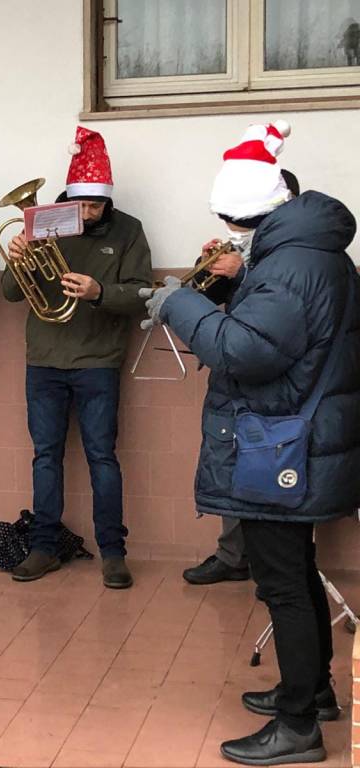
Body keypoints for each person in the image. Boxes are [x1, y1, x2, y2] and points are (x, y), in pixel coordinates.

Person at [144, 121, 360, 766]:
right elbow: (283, 333)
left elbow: (244, 350)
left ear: (248, 212)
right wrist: (235, 287)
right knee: (293, 572)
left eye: (231, 221)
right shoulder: (312, 254)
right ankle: (312, 691)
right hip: (302, 436)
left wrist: (178, 304)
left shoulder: (289, 266)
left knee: (283, 584)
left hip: (280, 444)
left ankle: (298, 727)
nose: (231, 232)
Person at [7, 127, 152, 589]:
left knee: (101, 457)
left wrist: (100, 291)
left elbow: (143, 294)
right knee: (45, 456)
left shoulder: (129, 230)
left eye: (96, 206)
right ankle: (44, 547)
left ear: (108, 201)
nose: (87, 215)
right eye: (81, 205)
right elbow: (12, 294)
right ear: (67, 197)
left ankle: (113, 552)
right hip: (44, 360)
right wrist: (18, 259)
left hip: (98, 362)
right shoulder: (45, 220)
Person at [182, 168, 300, 586]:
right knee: (234, 463)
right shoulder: (246, 247)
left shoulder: (295, 254)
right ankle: (233, 556)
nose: (237, 227)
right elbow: (206, 298)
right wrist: (209, 268)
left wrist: (244, 275)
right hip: (239, 373)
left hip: (279, 379)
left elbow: (282, 305)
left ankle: (282, 566)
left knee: (278, 467)